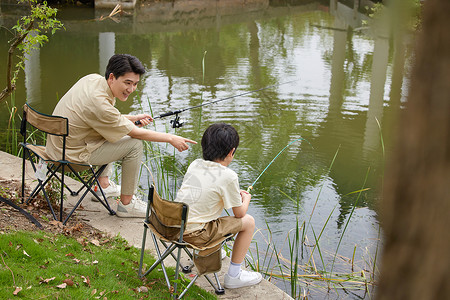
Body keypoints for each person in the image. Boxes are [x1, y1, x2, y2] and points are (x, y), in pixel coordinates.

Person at [46, 54, 196, 218]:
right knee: (134, 145)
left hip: (57, 147)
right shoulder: (100, 103)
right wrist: (170, 138)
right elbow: (132, 131)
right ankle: (126, 205)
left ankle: (102, 186)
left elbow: (104, 118)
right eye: (127, 83)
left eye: (135, 84)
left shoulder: (92, 80)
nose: (131, 89)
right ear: (112, 77)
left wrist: (133, 118)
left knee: (114, 132)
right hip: (70, 158)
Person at [175, 123, 262, 289]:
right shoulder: (229, 176)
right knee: (249, 222)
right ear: (231, 152)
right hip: (196, 236)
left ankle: (212, 251)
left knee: (202, 211)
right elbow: (239, 214)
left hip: (174, 227)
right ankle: (234, 276)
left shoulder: (195, 164)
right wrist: (247, 199)